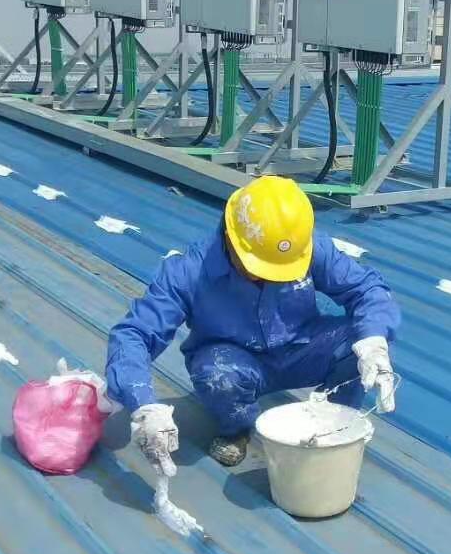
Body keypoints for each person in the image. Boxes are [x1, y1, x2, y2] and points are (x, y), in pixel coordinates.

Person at [106, 176, 400, 472]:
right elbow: (135, 334)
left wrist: (375, 339)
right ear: (231, 237)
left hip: (302, 349)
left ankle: (335, 426)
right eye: (258, 267)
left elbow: (368, 290)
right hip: (234, 362)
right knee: (217, 377)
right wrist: (143, 404)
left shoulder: (306, 247)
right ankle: (237, 428)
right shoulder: (189, 271)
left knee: (361, 340)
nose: (267, 277)